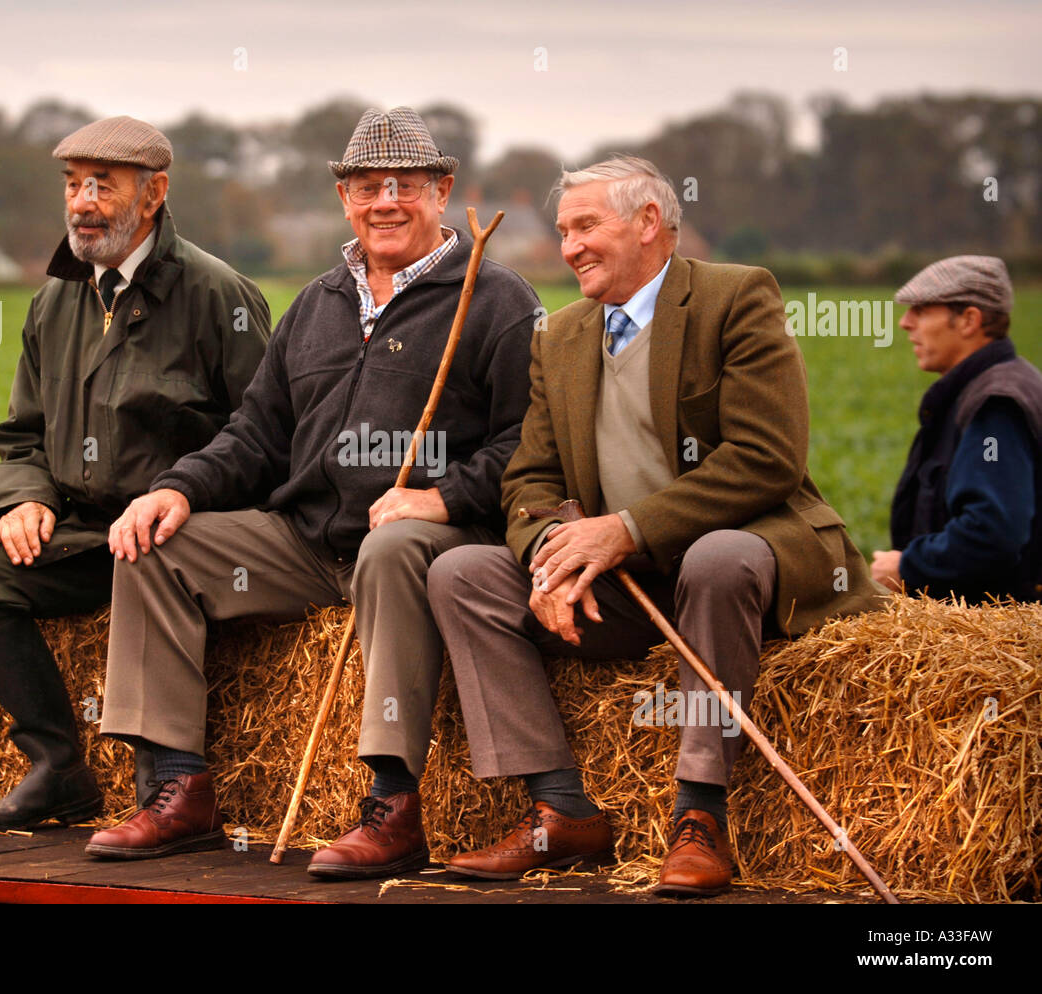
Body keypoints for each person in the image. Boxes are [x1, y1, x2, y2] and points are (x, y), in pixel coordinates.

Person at [84, 106, 539, 877]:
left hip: (426, 541)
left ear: (443, 189)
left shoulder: (496, 301)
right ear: (343, 199)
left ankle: (392, 808)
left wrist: (444, 498)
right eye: (365, 186)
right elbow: (257, 432)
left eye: (404, 185)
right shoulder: (317, 304)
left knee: (391, 547)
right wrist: (179, 488)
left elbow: (530, 446)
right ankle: (178, 791)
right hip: (307, 541)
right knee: (158, 547)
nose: (384, 201)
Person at [425, 154, 886, 896]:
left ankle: (700, 817)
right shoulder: (560, 335)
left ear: (649, 223)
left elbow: (767, 457)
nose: (568, 246)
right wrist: (552, 555)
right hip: (625, 589)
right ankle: (561, 810)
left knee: (717, 557)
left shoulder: (736, 297)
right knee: (460, 573)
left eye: (585, 226)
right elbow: (532, 477)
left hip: (741, 566)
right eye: (562, 230)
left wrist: (629, 528)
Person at [0, 116, 270, 832]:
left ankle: (166, 784)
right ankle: (57, 769)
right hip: (88, 537)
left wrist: (183, 497)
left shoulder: (220, 296)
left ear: (153, 195)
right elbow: (22, 432)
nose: (82, 203)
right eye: (72, 185)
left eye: (102, 185)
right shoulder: (54, 300)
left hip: (177, 536)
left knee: (148, 555)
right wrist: (22, 501)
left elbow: (264, 438)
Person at [871, 256, 1042, 603]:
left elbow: (993, 533)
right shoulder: (1004, 383)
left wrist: (908, 567)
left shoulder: (996, 407)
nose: (905, 323)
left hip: (996, 637)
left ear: (968, 320)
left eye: (920, 310)